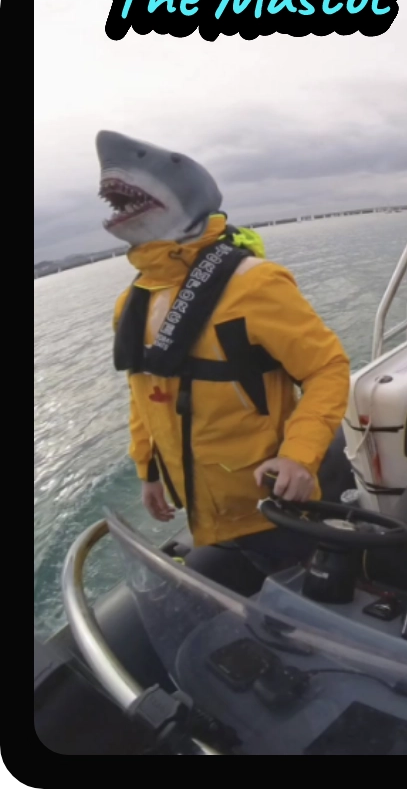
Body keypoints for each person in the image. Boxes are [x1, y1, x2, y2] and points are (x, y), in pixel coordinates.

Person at [98, 131, 349, 596]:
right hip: (200, 510)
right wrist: (148, 472)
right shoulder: (128, 305)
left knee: (306, 605)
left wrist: (299, 455)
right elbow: (143, 396)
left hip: (273, 507)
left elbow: (327, 369)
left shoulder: (255, 284)